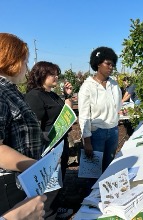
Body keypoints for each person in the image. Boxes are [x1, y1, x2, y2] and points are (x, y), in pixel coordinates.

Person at [0, 33, 44, 215]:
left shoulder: (11, 91)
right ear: (12, 61)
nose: (27, 67)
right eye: (25, 61)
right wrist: (35, 166)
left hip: (20, 179)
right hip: (8, 185)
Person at [25, 61, 73, 219]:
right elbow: (34, 129)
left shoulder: (51, 94)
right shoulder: (34, 96)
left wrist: (66, 97)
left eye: (56, 73)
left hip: (60, 142)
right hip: (49, 147)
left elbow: (59, 114)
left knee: (58, 181)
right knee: (49, 186)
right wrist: (50, 146)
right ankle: (47, 215)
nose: (56, 76)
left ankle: (54, 209)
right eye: (52, 73)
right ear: (41, 75)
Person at [78, 46, 122, 174]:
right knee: (94, 170)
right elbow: (84, 116)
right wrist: (87, 141)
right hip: (96, 133)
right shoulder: (87, 87)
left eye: (112, 64)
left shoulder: (114, 85)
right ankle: (92, 193)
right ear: (98, 64)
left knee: (109, 167)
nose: (111, 67)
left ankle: (107, 193)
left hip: (113, 131)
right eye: (107, 64)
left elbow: (117, 107)